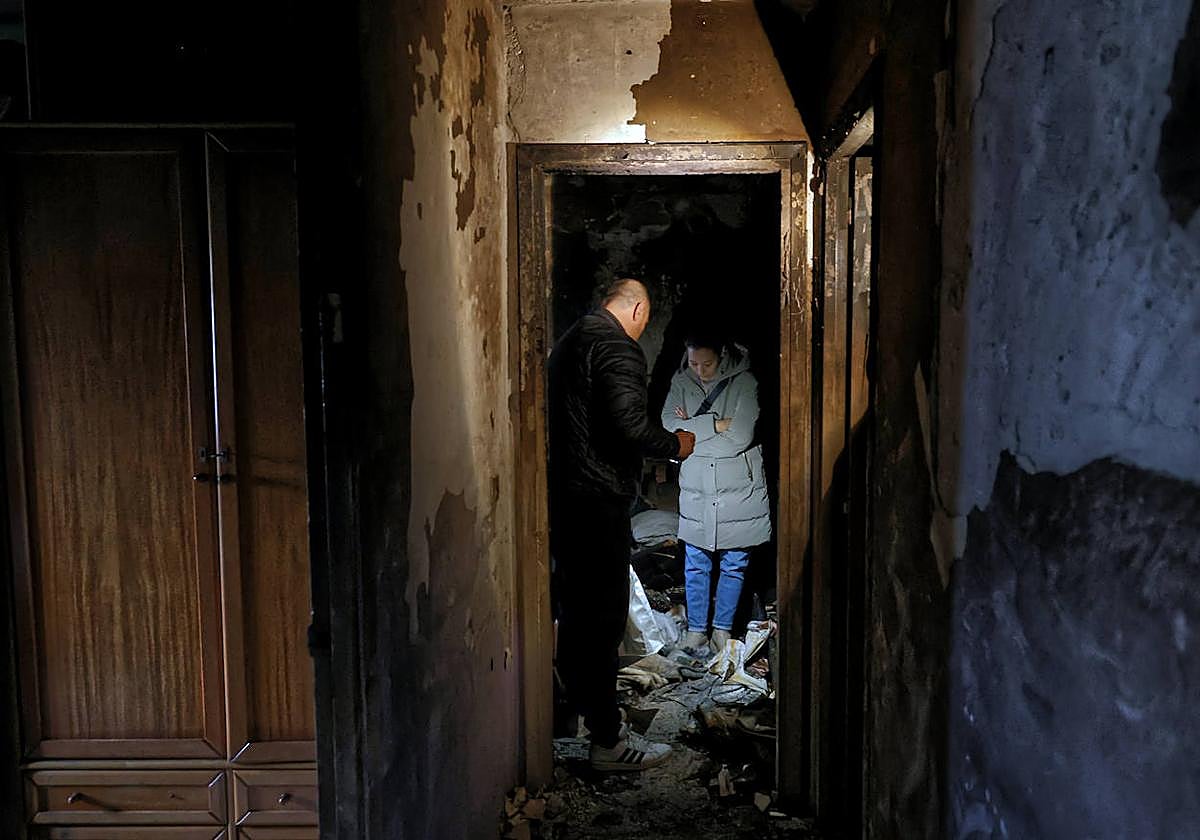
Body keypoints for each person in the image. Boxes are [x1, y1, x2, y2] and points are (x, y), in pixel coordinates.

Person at [547, 277, 696, 772]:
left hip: (566, 499)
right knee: (604, 618)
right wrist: (675, 445)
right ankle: (608, 742)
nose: (642, 329)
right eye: (646, 321)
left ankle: (575, 715)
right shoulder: (617, 346)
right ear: (637, 310)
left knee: (576, 615)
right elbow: (630, 425)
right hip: (597, 500)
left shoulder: (571, 340)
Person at [661, 332, 771, 656]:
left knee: (734, 561)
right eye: (694, 363)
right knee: (695, 561)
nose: (700, 371)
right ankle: (697, 631)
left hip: (737, 488)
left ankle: (721, 630)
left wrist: (692, 431)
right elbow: (668, 425)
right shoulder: (681, 381)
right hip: (698, 486)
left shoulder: (745, 382)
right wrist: (715, 424)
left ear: (722, 355)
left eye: (707, 364)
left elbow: (740, 436)